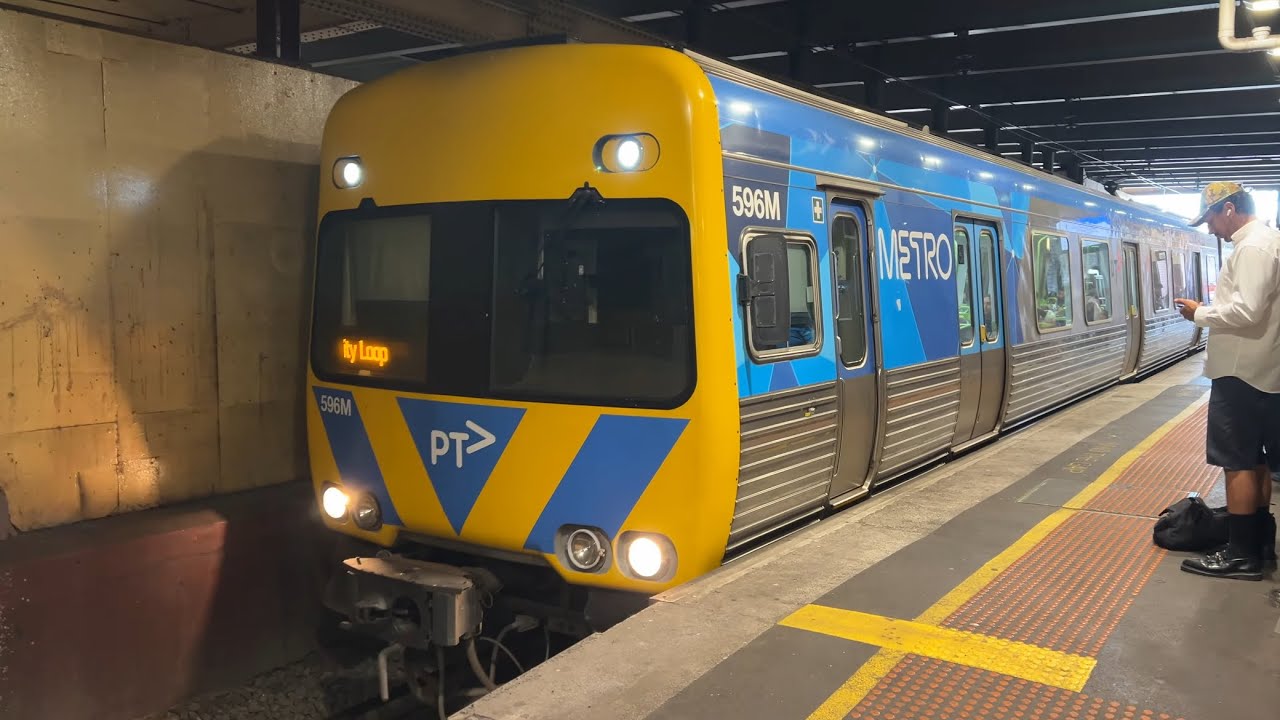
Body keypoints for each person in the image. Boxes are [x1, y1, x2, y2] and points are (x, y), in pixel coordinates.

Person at [1174, 182, 1280, 581]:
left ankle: (1240, 554)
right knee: (1257, 462)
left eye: (1212, 218)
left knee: (1236, 464)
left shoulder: (1252, 248)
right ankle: (1259, 545)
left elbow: (1247, 311)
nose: (1211, 228)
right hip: (1261, 370)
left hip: (1241, 373)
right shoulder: (1269, 240)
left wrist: (1201, 313)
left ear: (1230, 209)